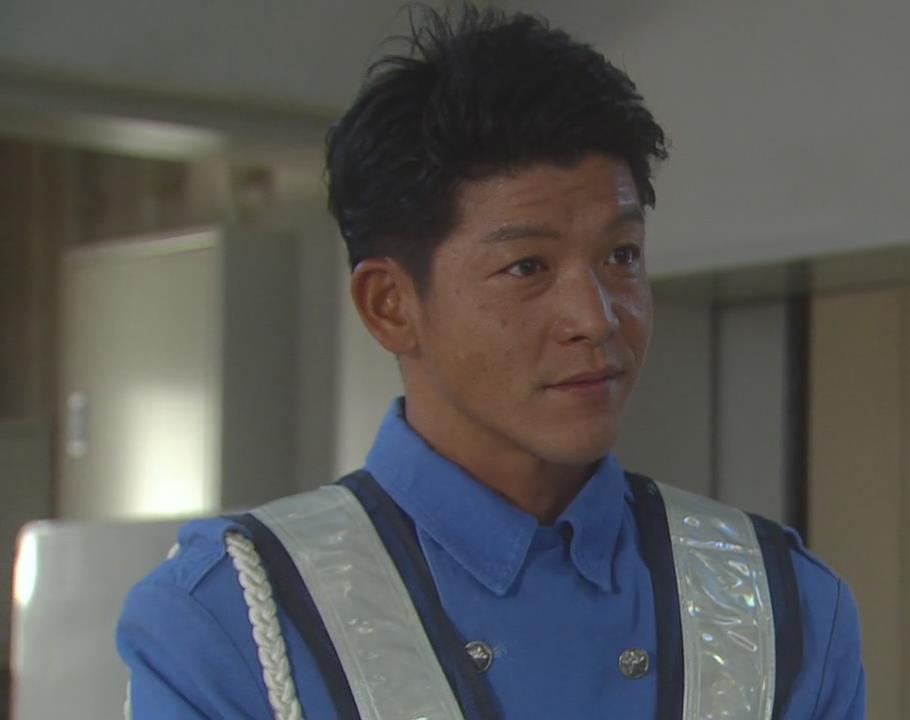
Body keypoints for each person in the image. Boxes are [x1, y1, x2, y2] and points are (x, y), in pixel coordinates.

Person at [116, 5, 866, 719]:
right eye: (527, 267)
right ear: (390, 304)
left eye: (621, 256)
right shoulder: (240, 618)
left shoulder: (776, 602)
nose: (596, 318)